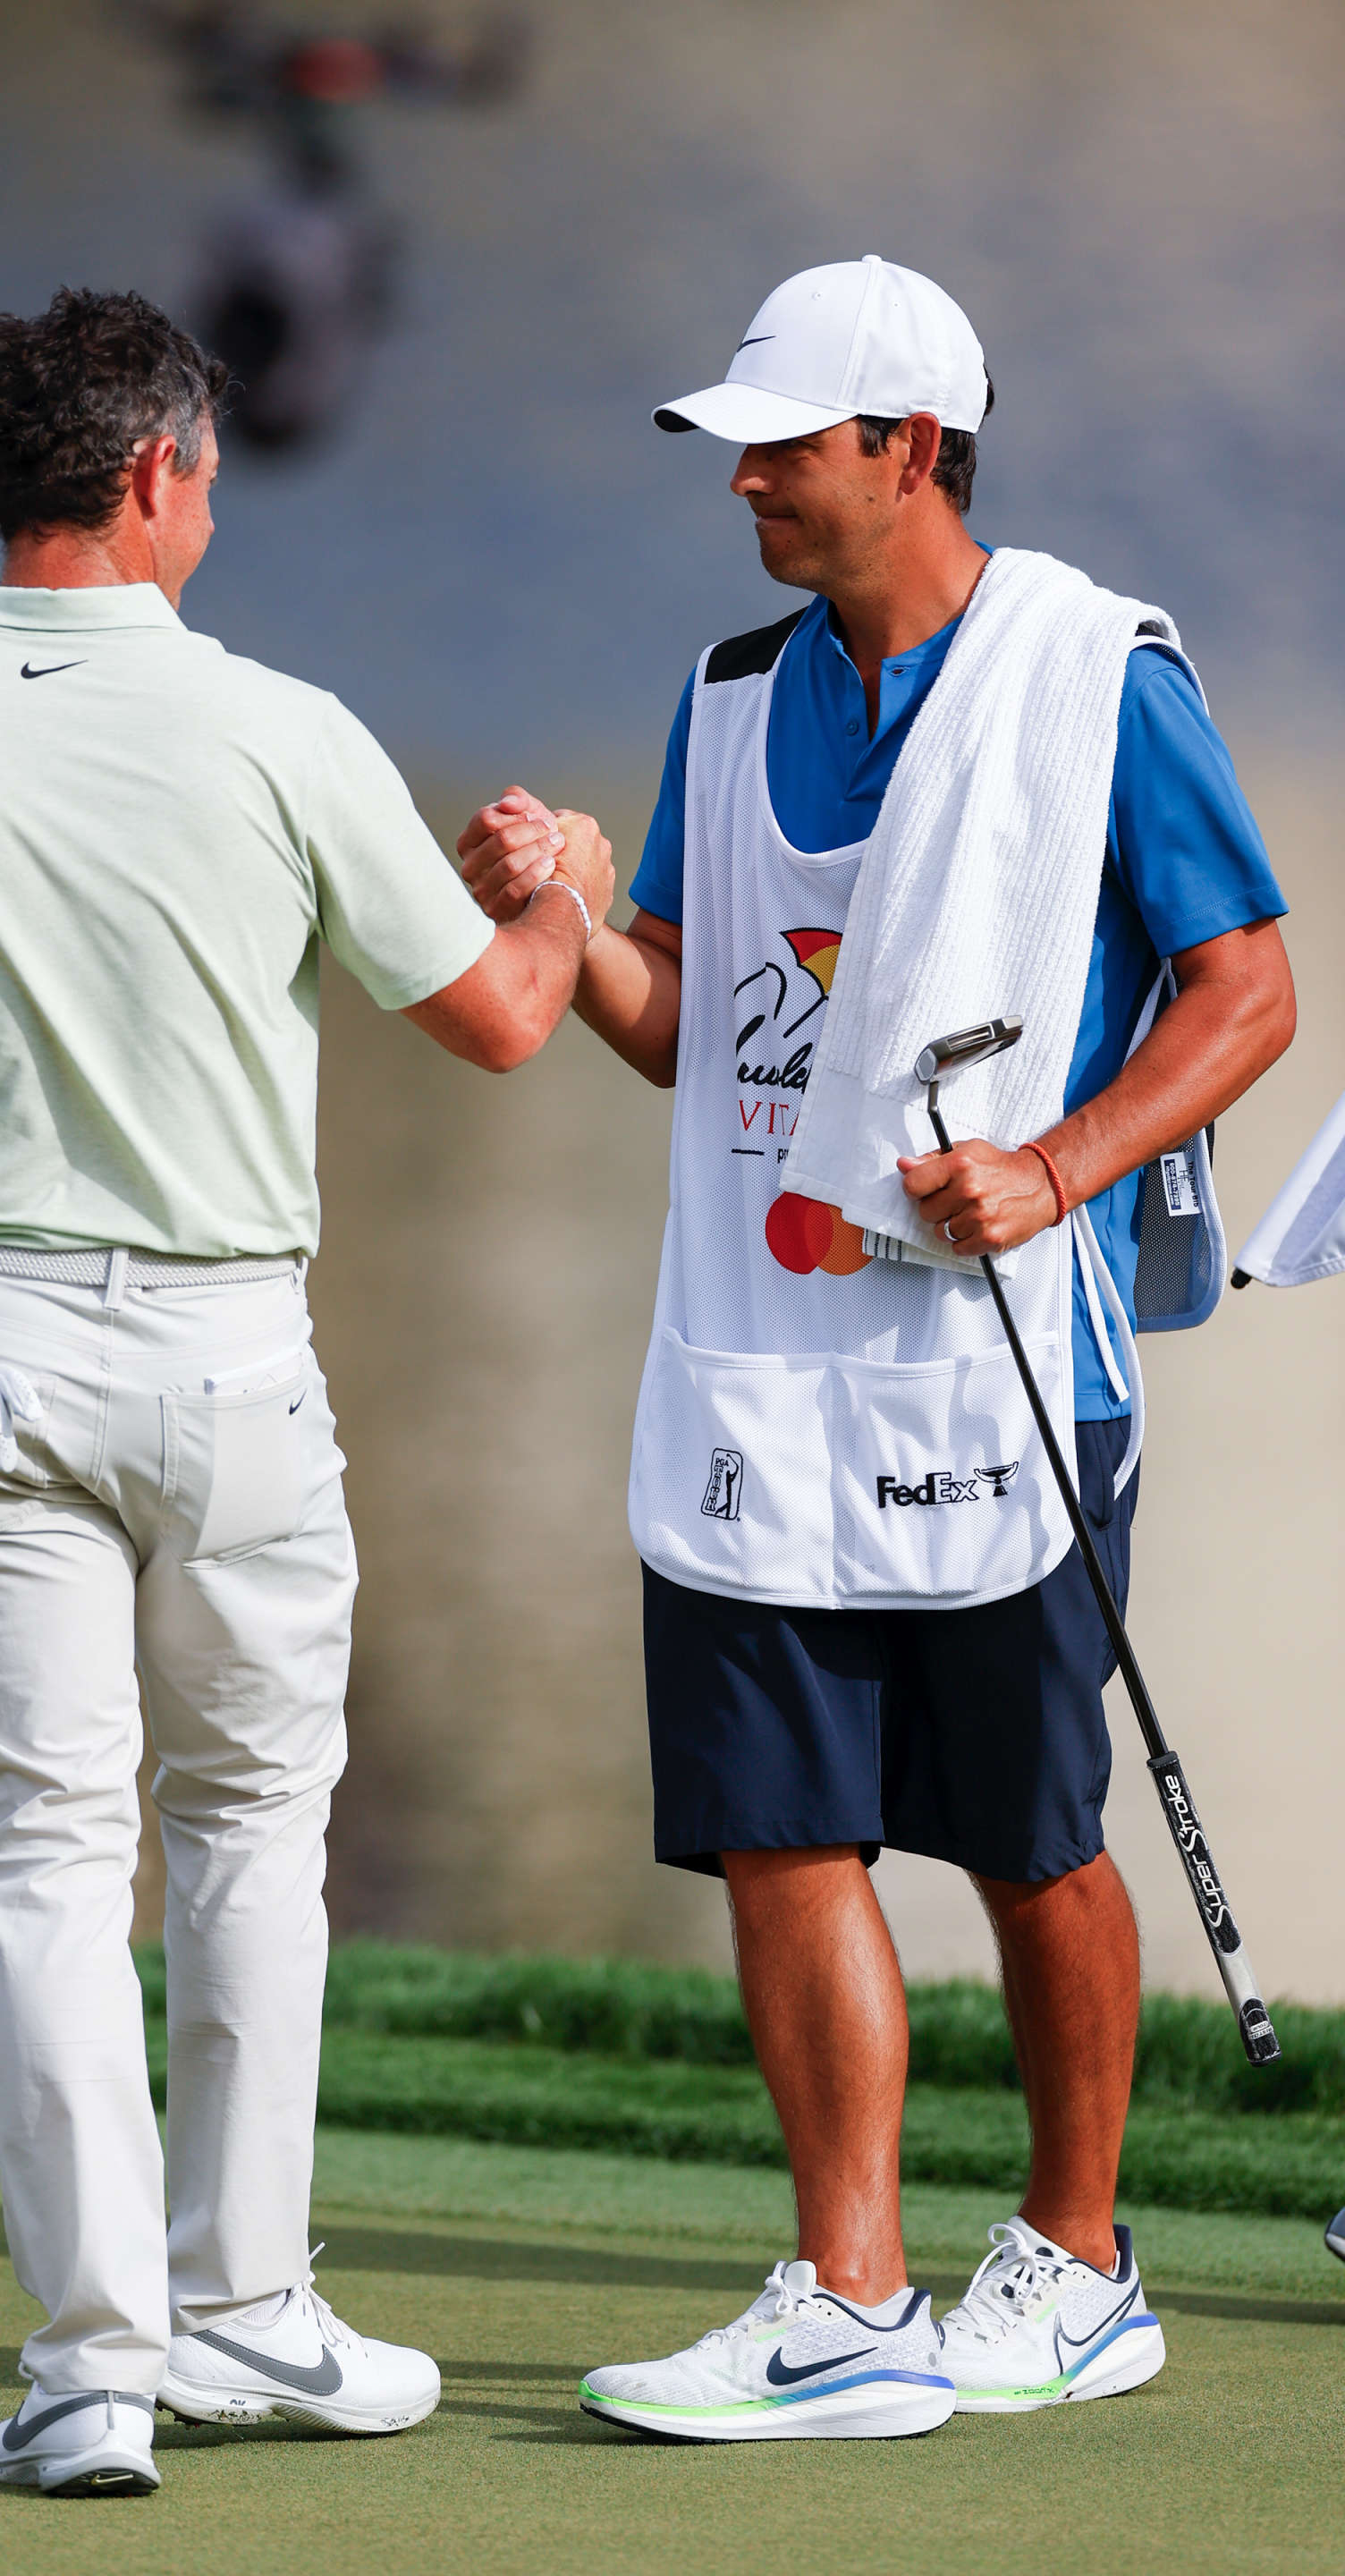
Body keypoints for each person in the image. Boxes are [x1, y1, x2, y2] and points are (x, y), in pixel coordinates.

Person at [0, 284, 612, 2498]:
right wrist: (573, 894)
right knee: (248, 1838)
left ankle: (93, 2368)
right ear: (150, 479)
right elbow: (501, 1021)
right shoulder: (283, 731)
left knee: (42, 1859)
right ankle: (249, 2311)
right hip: (225, 1360)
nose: (210, 502)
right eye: (204, 472)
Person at [460, 256, 1294, 2441]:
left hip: (1011, 1360)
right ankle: (848, 2293)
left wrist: (1062, 1159)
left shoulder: (1097, 673)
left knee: (1028, 1840)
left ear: (908, 446)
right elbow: (673, 1019)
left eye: (785, 442)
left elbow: (1248, 990)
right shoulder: (730, 690)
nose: (742, 477)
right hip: (752, 1358)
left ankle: (1084, 2259)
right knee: (778, 1833)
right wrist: (560, 908)